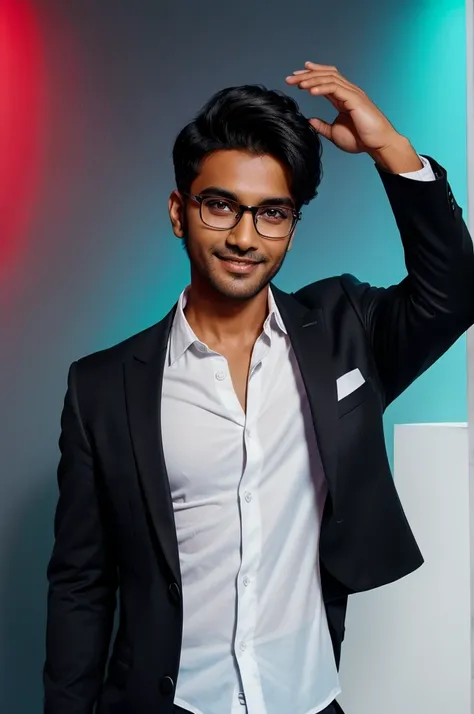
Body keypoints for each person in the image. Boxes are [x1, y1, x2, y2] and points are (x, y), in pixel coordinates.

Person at [43, 61, 474, 714]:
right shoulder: (101, 388)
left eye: (272, 213)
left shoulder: (344, 334)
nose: (245, 237)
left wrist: (392, 151)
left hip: (307, 702)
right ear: (178, 212)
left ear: (293, 224)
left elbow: (454, 292)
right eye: (221, 205)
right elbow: (80, 585)